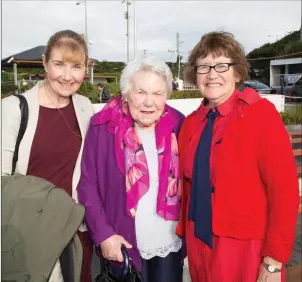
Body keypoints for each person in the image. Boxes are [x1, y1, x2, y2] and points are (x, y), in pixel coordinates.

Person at [175, 31, 300, 282]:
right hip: (198, 241)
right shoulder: (190, 123)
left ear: (237, 72)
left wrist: (273, 261)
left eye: (222, 65)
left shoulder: (260, 115)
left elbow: (284, 192)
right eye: (204, 66)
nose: (212, 74)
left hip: (245, 246)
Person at [77, 56, 185, 282]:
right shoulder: (103, 126)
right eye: (140, 92)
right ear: (126, 93)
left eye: (158, 93)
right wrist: (104, 235)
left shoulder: (179, 123)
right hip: (122, 243)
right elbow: (87, 186)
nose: (149, 102)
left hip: (170, 241)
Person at [2, 29, 95, 282]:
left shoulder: (85, 106)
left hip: (75, 229)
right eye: (59, 65)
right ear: (44, 63)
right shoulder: (13, 109)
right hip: (30, 232)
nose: (67, 76)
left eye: (76, 66)